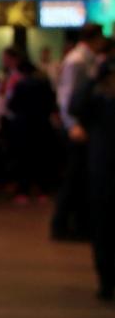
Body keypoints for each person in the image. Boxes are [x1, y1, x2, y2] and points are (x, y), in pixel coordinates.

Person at [69, 41, 115, 300]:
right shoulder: (98, 100)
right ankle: (106, 278)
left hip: (101, 167)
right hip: (102, 170)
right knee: (103, 227)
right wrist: (95, 78)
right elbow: (75, 106)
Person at [52, 25, 104, 240]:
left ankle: (75, 225)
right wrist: (72, 124)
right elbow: (66, 96)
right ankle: (61, 225)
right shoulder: (77, 61)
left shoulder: (85, 59)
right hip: (76, 127)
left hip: (80, 125)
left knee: (79, 177)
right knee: (74, 178)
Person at [2, 47, 58, 204]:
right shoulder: (44, 82)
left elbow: (12, 105)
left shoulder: (20, 84)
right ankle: (43, 190)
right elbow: (51, 103)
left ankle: (23, 191)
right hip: (41, 125)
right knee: (41, 159)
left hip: (23, 126)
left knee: (23, 160)